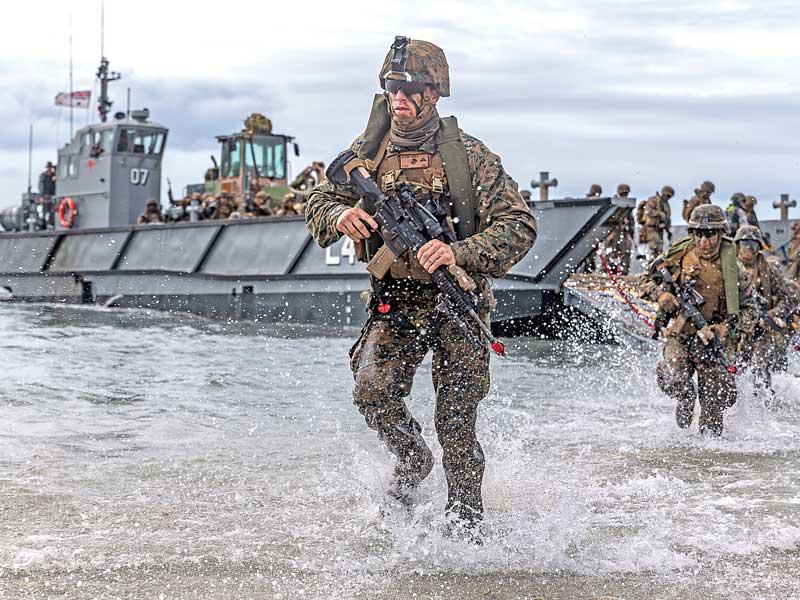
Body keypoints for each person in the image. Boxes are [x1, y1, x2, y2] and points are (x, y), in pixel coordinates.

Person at [305, 36, 537, 534]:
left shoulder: (470, 158)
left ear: (435, 94)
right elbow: (317, 203)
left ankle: (466, 531)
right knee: (373, 394)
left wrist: (459, 252)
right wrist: (341, 214)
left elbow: (520, 225)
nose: (400, 98)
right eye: (392, 88)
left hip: (459, 301)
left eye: (411, 89)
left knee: (456, 426)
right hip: (397, 300)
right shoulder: (365, 155)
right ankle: (412, 460)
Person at [639, 204, 756, 436]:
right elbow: (644, 280)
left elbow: (751, 312)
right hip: (681, 334)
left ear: (721, 233)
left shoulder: (734, 268)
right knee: (672, 376)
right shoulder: (677, 255)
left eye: (710, 234)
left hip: (713, 342)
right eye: (698, 234)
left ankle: (709, 456)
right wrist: (661, 295)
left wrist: (726, 328)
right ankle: (685, 397)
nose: (704, 241)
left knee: (715, 402)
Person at [734, 225, 799, 403]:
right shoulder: (730, 268)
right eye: (744, 244)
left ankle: (763, 405)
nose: (748, 248)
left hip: (762, 328)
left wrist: (775, 312)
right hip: (735, 328)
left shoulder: (768, 269)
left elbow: (791, 297)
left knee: (759, 365)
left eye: (753, 245)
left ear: (759, 247)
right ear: (737, 246)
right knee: (732, 369)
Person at [636, 186, 673, 260]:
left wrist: (668, 230)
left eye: (669, 196)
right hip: (651, 229)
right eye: (666, 195)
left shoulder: (666, 205)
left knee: (659, 251)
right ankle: (651, 265)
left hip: (660, 230)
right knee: (653, 249)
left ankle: (655, 266)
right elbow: (648, 211)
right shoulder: (654, 200)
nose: (667, 197)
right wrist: (659, 214)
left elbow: (667, 218)